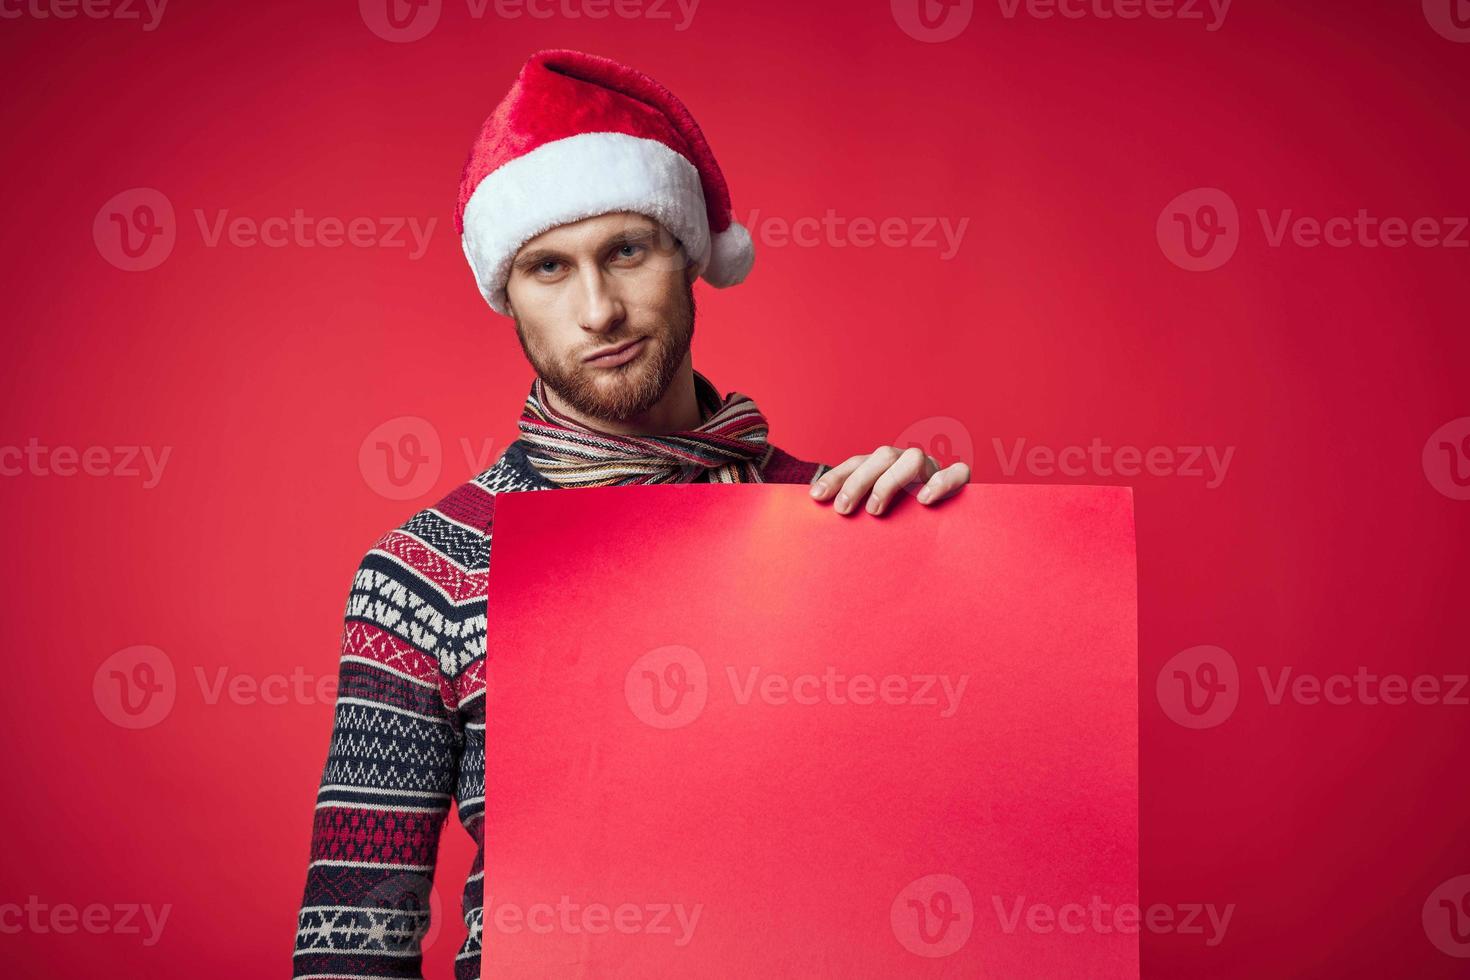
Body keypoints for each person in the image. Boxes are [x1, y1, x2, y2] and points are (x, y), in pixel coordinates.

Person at [291, 48, 970, 979]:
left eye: (625, 250)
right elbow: (354, 937)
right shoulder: (426, 572)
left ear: (687, 255)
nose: (598, 310)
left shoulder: (837, 522)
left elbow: (960, 840)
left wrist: (944, 564)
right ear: (508, 294)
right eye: (547, 268)